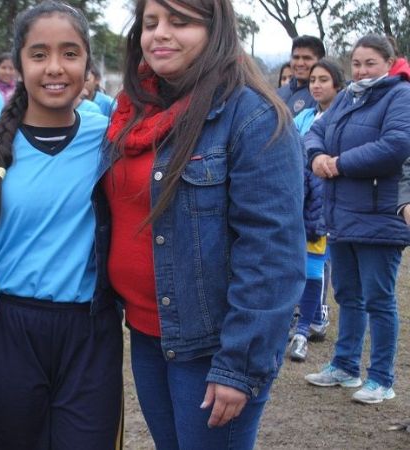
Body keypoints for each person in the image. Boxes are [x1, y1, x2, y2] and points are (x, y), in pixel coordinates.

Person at [106, 0, 305, 448]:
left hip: (213, 346)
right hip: (146, 332)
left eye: (180, 22)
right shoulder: (134, 111)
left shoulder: (253, 117)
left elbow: (272, 256)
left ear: (216, 30)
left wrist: (239, 365)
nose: (159, 33)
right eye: (151, 22)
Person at [0, 2, 123, 448]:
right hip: (8, 328)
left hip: (90, 331)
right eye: (39, 54)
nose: (55, 68)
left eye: (70, 53)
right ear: (18, 64)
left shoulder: (110, 138)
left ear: (87, 61)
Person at [304, 34, 410, 404]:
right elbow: (316, 130)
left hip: (380, 217)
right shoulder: (348, 95)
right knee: (347, 295)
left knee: (379, 300)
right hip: (341, 215)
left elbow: (397, 144)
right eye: (357, 63)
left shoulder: (400, 96)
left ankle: (381, 377)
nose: (362, 70)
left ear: (389, 62)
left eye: (370, 63)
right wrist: (316, 155)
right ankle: (345, 365)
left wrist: (339, 163)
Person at [287, 59, 345, 362]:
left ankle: (304, 330)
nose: (316, 85)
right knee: (293, 266)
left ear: (338, 84)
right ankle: (295, 321)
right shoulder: (303, 116)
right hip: (298, 199)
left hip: (321, 207)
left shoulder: (344, 117)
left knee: (314, 269)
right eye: (313, 80)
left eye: (323, 79)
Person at [277, 35, 326, 116]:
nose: (300, 63)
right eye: (296, 57)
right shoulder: (280, 93)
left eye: (307, 58)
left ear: (321, 61)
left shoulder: (324, 96)